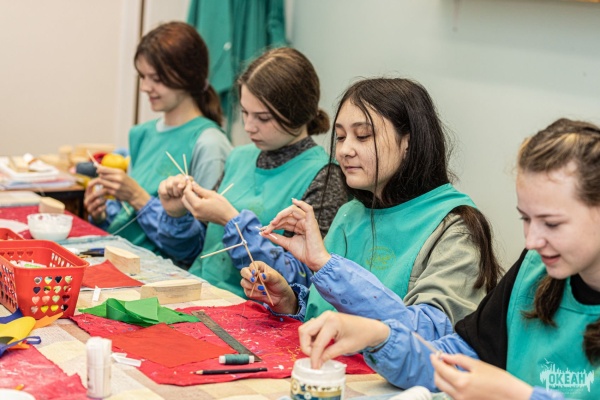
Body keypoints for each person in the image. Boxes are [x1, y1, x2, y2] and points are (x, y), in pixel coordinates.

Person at [297, 118, 600, 399]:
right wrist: (380, 337)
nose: (531, 241)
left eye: (552, 224)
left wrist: (518, 395)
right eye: (526, 219)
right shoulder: (533, 270)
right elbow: (453, 362)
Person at [240, 77, 502, 325]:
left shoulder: (454, 228)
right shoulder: (350, 213)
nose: (344, 150)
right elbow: (330, 312)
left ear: (408, 142)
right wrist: (290, 302)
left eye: (363, 136)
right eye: (340, 137)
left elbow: (431, 332)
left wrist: (326, 265)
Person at [155, 47, 347, 293]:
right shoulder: (238, 157)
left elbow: (302, 282)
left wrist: (231, 222)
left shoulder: (325, 176)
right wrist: (177, 216)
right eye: (245, 113)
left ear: (299, 113)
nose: (248, 126)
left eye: (263, 118)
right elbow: (193, 253)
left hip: (251, 310)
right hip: (199, 293)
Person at [83, 21, 232, 258]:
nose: (145, 87)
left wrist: (137, 197)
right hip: (117, 254)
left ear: (188, 76)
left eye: (156, 78)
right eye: (142, 76)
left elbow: (201, 249)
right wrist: (101, 214)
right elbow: (130, 221)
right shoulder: (141, 134)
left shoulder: (210, 144)